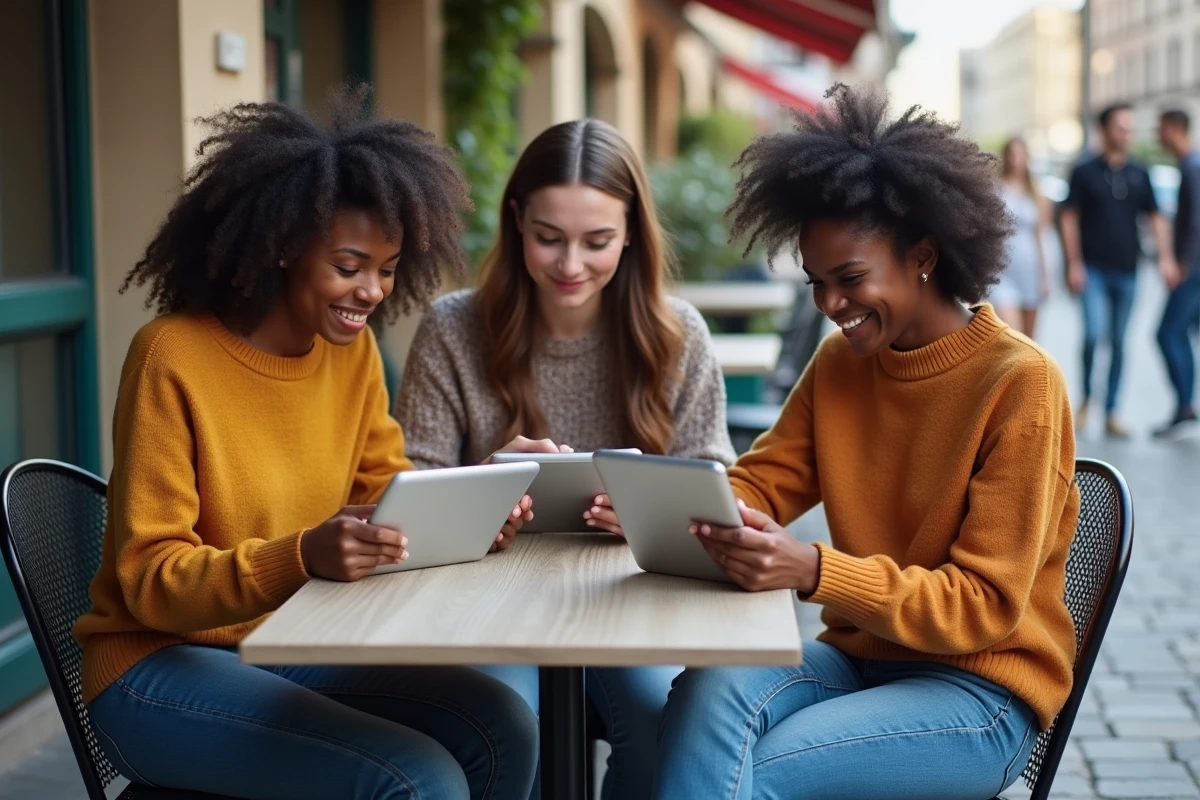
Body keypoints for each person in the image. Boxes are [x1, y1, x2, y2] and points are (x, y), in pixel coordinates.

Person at [72, 87, 540, 800]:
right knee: (418, 779)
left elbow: (385, 501)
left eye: (387, 268)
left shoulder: (349, 356)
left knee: (504, 722)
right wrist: (300, 556)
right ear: (285, 247)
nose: (373, 291)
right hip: (155, 668)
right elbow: (149, 580)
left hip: (287, 643)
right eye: (349, 266)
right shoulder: (172, 355)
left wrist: (477, 506)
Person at [651, 84, 1080, 800]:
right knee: (706, 695)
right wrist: (671, 504)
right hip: (857, 662)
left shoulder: (1020, 383)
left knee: (750, 778)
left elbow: (982, 604)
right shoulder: (842, 365)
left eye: (849, 279)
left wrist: (814, 572)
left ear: (923, 255)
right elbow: (763, 482)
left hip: (979, 694)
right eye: (817, 282)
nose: (829, 306)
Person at [395, 118, 735, 800]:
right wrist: (485, 483)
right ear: (516, 221)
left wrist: (647, 511)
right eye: (549, 238)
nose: (570, 264)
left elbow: (720, 493)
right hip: (484, 606)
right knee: (503, 724)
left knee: (658, 717)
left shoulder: (678, 336)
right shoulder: (453, 328)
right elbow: (408, 493)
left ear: (633, 230)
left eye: (597, 241)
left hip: (634, 601)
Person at [1060, 102, 1179, 438]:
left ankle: (1112, 410)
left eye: (1129, 127)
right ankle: (1086, 399)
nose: (1127, 132)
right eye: (1120, 127)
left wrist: (1166, 258)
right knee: (1093, 335)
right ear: (1105, 130)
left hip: (1128, 271)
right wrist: (1073, 263)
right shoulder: (1084, 171)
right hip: (1093, 270)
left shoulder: (1140, 172)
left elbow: (1155, 217)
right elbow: (1069, 218)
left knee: (1120, 342)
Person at [1154, 109, 1200, 437]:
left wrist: (1182, 264)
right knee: (1178, 332)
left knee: (1168, 332)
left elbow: (1196, 222)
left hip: (1193, 269)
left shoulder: (1193, 166)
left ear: (1174, 129)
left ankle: (1184, 406)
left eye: (1160, 130)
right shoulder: (1191, 164)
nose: (1158, 136)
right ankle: (1184, 405)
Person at [991, 137, 1051, 337]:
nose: (1017, 160)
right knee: (1012, 337)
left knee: (1029, 343)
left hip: (1030, 272)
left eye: (1021, 154)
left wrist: (1045, 277)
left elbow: (1042, 237)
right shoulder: (996, 190)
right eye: (1013, 154)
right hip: (1003, 273)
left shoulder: (1036, 193)